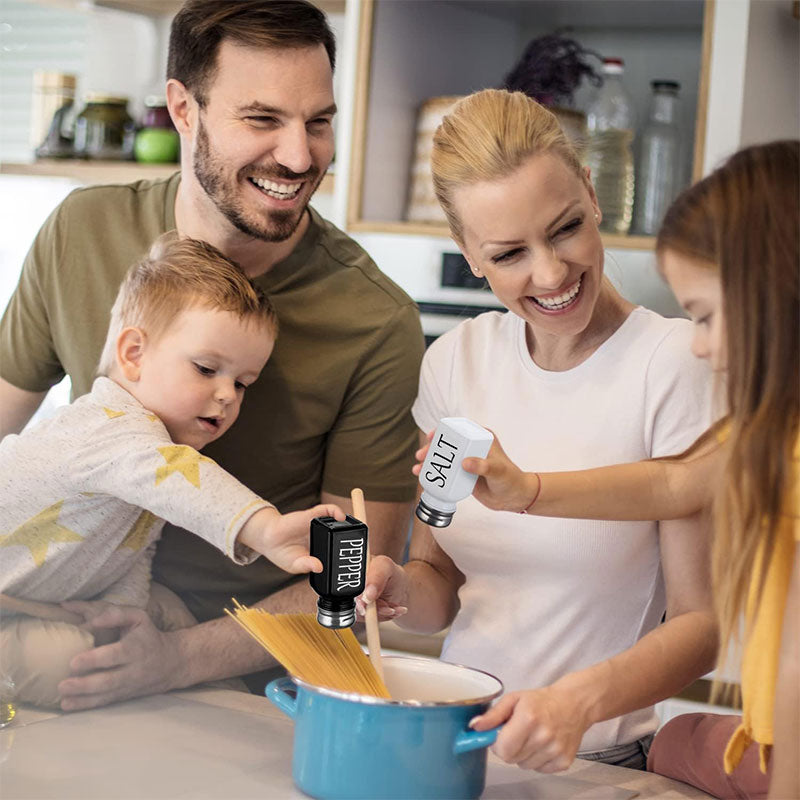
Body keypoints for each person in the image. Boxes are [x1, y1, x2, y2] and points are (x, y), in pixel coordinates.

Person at [0, 0, 424, 710]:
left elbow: (350, 581)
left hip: (234, 684)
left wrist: (175, 660)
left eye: (319, 122)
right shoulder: (83, 229)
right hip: (64, 620)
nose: (299, 156)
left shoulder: (374, 321)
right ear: (183, 110)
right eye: (262, 120)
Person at [360, 88, 717, 772]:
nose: (551, 274)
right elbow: (440, 584)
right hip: (454, 746)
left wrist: (575, 702)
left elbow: (701, 627)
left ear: (590, 190)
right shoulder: (455, 362)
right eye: (509, 254)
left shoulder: (671, 363)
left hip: (598, 761)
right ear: (467, 252)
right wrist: (400, 590)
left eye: (565, 228)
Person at [440, 141, 798, 799]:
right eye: (508, 252)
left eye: (709, 315)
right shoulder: (770, 433)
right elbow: (674, 481)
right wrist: (528, 492)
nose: (702, 345)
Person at [0, 235, 348, 709]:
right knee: (70, 660)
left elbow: (130, 550)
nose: (228, 394)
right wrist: (263, 528)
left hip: (31, 600)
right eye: (207, 369)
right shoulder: (108, 428)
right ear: (134, 354)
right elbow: (181, 477)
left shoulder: (151, 450)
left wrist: (121, 615)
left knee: (164, 615)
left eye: (243, 383)